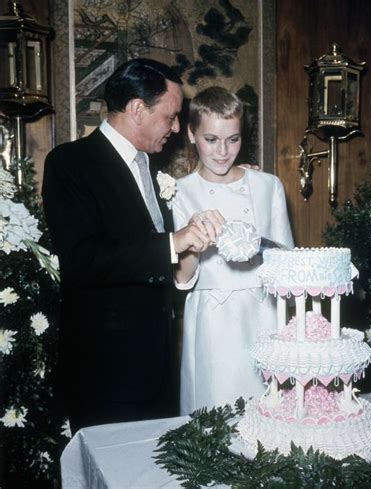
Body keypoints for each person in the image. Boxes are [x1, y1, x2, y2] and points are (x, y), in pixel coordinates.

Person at [41, 58, 222, 434]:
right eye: (170, 116)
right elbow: (82, 261)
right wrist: (172, 242)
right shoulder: (70, 163)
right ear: (138, 109)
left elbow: (159, 262)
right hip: (106, 373)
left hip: (159, 366)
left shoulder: (155, 172)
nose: (175, 128)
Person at [172, 86, 294, 415]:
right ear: (192, 135)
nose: (223, 151)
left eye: (234, 139)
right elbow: (183, 279)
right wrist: (193, 242)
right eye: (211, 139)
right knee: (215, 409)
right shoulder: (180, 193)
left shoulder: (268, 186)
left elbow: (286, 263)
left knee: (268, 411)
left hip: (263, 314)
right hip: (211, 320)